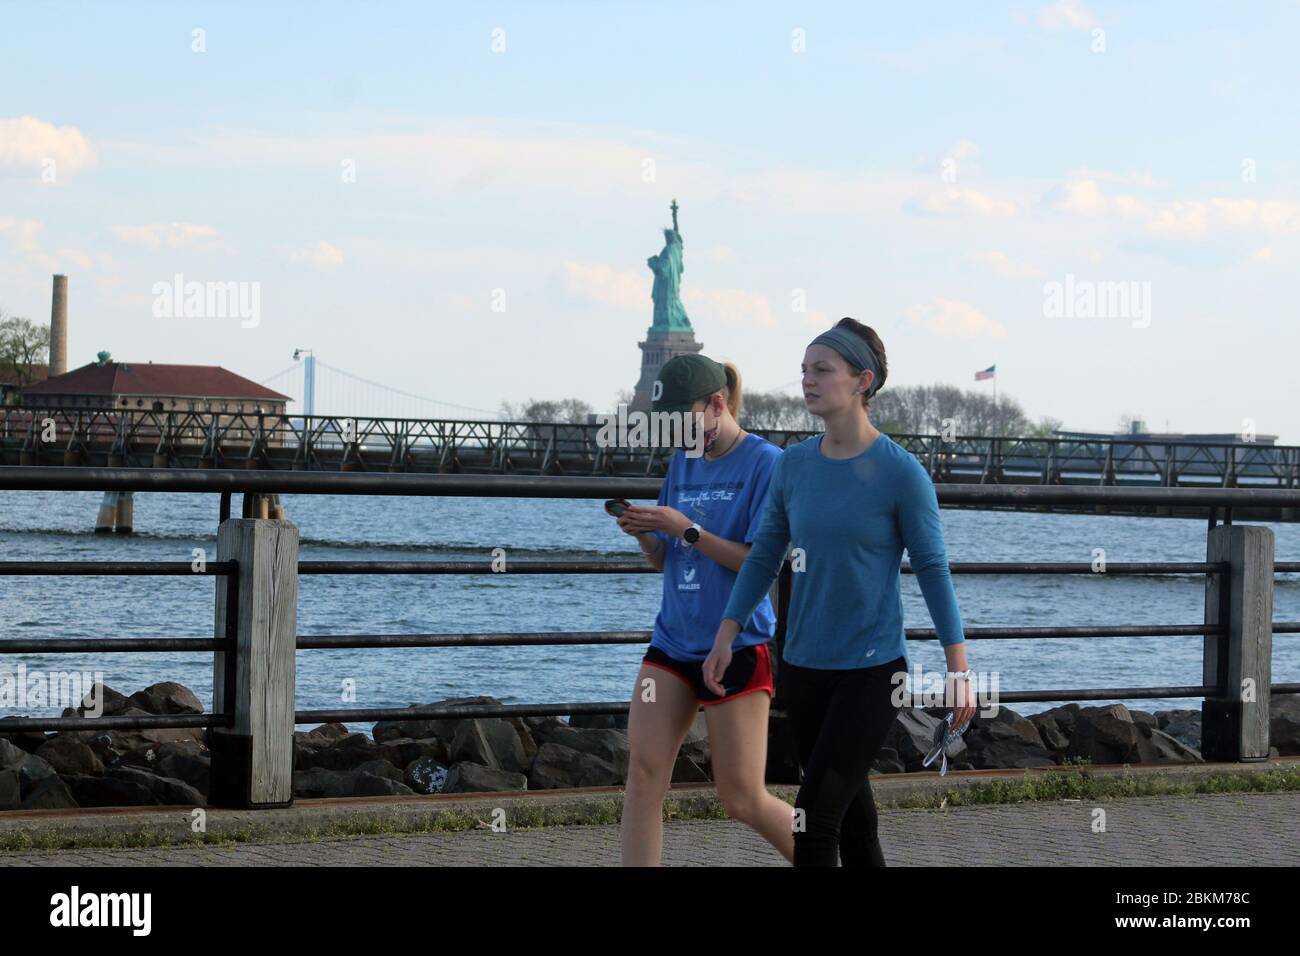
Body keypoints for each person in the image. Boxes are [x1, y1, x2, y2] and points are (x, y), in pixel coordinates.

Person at [706, 317, 976, 867]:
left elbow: (932, 569)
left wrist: (958, 668)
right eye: (804, 369)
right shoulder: (794, 466)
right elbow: (764, 556)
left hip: (873, 670)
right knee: (854, 824)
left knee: (812, 821)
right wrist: (726, 633)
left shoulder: (901, 474)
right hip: (803, 665)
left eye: (822, 370)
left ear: (862, 380)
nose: (807, 380)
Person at [615, 353, 796, 866]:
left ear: (717, 404)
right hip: (672, 641)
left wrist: (683, 528)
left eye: (681, 420)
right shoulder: (682, 461)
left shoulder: (768, 463)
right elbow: (668, 559)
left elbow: (760, 563)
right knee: (644, 775)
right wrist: (648, 537)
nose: (675, 434)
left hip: (738, 643)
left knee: (741, 799)